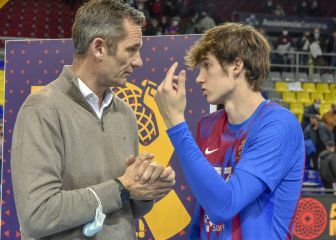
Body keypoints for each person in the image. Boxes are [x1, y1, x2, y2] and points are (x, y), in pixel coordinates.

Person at [11, 1, 175, 239]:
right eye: (131, 49)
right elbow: (37, 215)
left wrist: (146, 189)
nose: (139, 61)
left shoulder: (125, 113)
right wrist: (121, 187)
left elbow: (126, 208)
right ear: (99, 48)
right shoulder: (41, 109)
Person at [155, 23, 305, 239]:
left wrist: (176, 123)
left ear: (236, 66)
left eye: (207, 65)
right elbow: (203, 208)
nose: (199, 78)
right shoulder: (207, 125)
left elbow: (225, 205)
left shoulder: (279, 125)